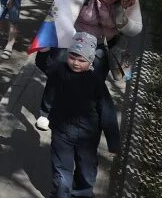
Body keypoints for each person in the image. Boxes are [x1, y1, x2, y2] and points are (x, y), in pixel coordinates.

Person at [35, 0, 142, 132]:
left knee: (94, 79)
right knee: (59, 72)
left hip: (102, 43)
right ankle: (47, 111)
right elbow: (64, 17)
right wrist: (53, 45)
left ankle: (77, 112)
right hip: (73, 37)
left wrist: (120, 15)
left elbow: (136, 29)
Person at [36, 32, 120, 198]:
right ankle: (61, 193)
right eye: (72, 57)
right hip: (61, 131)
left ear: (90, 61)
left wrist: (113, 143)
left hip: (87, 135)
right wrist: (43, 51)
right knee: (61, 169)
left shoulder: (96, 81)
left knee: (87, 170)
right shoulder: (59, 70)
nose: (75, 63)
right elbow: (44, 64)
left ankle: (82, 193)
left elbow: (107, 112)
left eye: (81, 60)